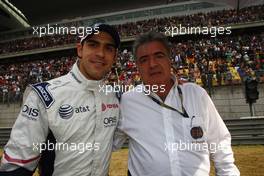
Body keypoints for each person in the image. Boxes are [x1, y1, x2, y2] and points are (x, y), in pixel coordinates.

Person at [0, 23, 120, 176]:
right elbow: (17, 167)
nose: (101, 54)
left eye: (108, 48)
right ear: (80, 49)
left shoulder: (115, 97)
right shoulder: (44, 95)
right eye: (93, 45)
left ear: (115, 56)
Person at [114, 31, 240, 176]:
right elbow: (107, 142)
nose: (152, 64)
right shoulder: (128, 102)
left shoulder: (196, 95)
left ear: (170, 60)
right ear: (137, 67)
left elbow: (219, 142)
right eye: (144, 60)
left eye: (159, 56)